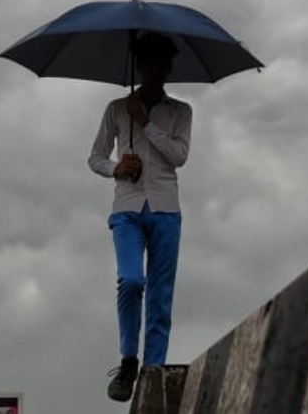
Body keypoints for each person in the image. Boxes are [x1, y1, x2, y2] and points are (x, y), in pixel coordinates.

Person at [87, 32, 192, 402]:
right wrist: (116, 168)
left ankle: (154, 370)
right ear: (139, 65)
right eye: (146, 62)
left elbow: (179, 156)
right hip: (127, 209)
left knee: (161, 296)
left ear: (168, 67)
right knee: (131, 280)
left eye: (160, 63)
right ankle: (129, 359)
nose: (153, 69)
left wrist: (146, 122)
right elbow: (95, 157)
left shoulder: (180, 111)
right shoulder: (116, 109)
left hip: (166, 209)